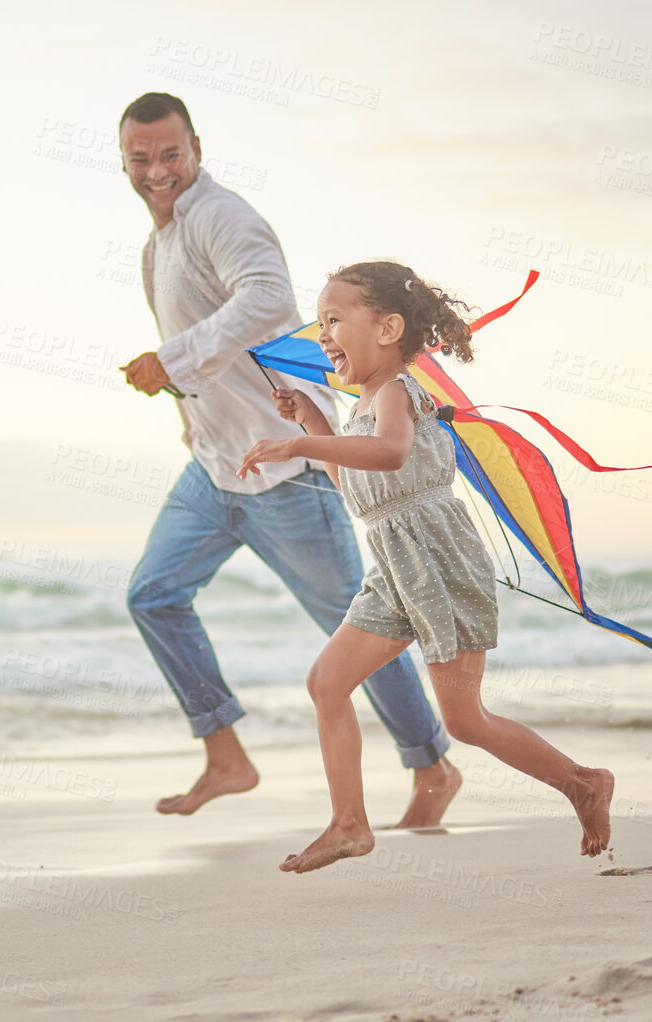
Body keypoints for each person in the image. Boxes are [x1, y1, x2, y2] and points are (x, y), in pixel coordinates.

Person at [114, 92, 463, 825]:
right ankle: (225, 755)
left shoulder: (220, 216)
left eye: (169, 154)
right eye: (140, 158)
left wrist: (171, 359)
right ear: (124, 160)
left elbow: (270, 297)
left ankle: (431, 765)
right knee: (152, 595)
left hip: (286, 477)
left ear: (196, 149)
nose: (156, 170)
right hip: (215, 469)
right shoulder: (161, 240)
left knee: (356, 630)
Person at [238, 260, 614, 872]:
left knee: (465, 722)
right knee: (326, 683)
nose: (322, 335)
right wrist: (312, 419)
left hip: (439, 562)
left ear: (387, 329)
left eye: (334, 320)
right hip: (393, 570)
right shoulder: (360, 406)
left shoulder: (396, 393)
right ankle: (349, 824)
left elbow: (389, 454)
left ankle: (584, 783)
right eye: (320, 321)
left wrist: (301, 444)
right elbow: (356, 485)